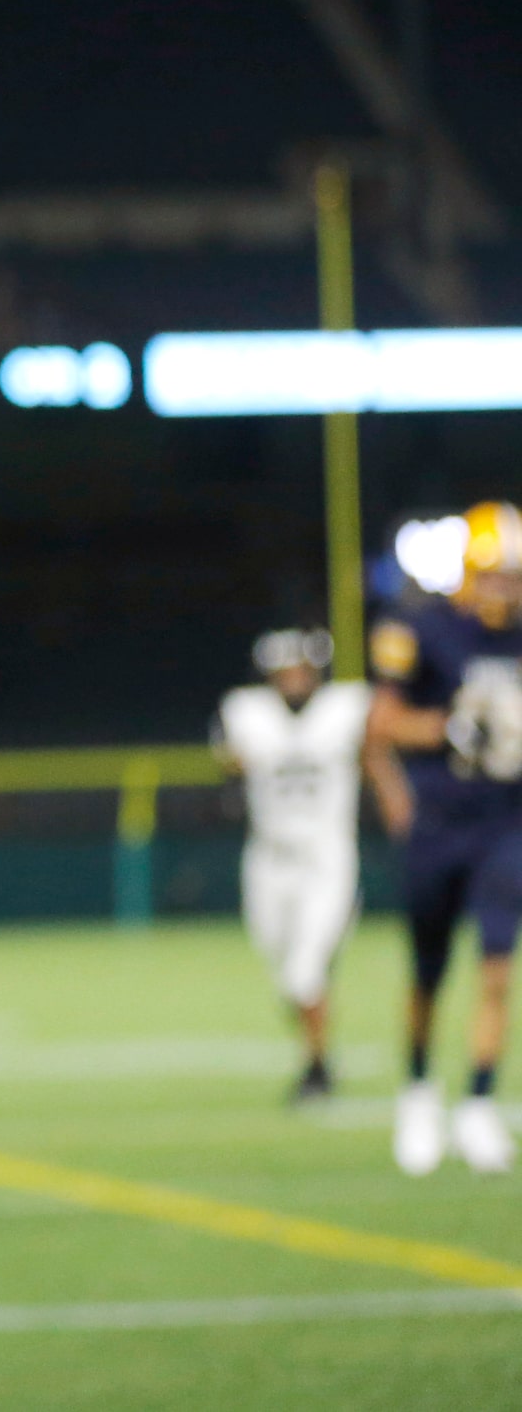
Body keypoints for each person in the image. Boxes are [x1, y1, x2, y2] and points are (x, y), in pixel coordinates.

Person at [366, 501, 522, 1176]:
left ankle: (480, 1101)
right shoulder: (426, 631)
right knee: (428, 971)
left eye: (514, 576)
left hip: (505, 820)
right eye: (497, 574)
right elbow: (381, 725)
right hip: (440, 821)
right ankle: (421, 1089)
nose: (506, 588)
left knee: (496, 967)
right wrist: (445, 731)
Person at [213, 628, 371, 1103]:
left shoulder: (348, 707)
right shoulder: (246, 712)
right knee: (286, 968)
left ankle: (317, 1070)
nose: (294, 678)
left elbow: (377, 749)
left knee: (305, 970)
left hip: (326, 855)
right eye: (285, 670)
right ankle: (316, 1048)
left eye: (302, 668)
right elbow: (229, 760)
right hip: (268, 858)